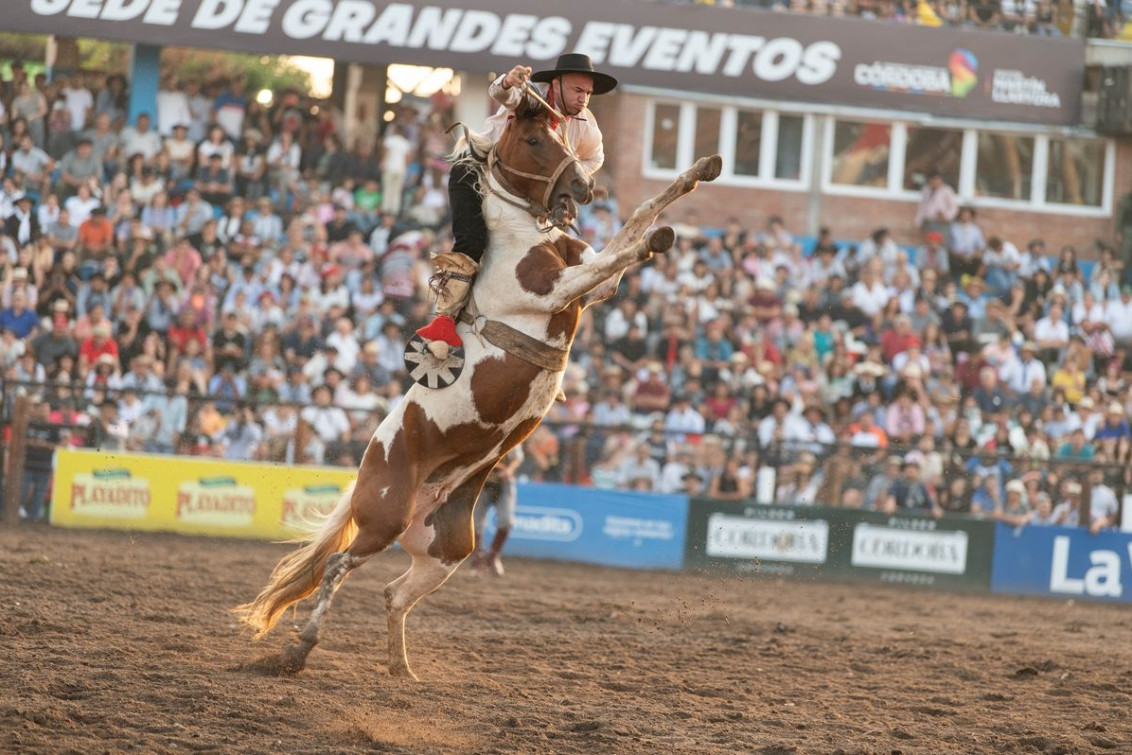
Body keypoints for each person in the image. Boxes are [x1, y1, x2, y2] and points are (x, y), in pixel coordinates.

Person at [413, 53, 617, 360]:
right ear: (557, 85)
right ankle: (443, 322)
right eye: (578, 90)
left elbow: (595, 158)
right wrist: (507, 80)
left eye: (587, 93)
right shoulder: (532, 94)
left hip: (527, 189)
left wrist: (564, 186)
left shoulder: (587, 125)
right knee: (473, 242)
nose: (583, 99)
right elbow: (503, 93)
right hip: (480, 170)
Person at [471, 445, 524, 577]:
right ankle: (476, 559)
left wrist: (509, 470)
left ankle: (493, 557)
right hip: (483, 482)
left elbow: (517, 456)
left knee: (506, 521)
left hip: (504, 483)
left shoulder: (511, 430)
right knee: (475, 522)